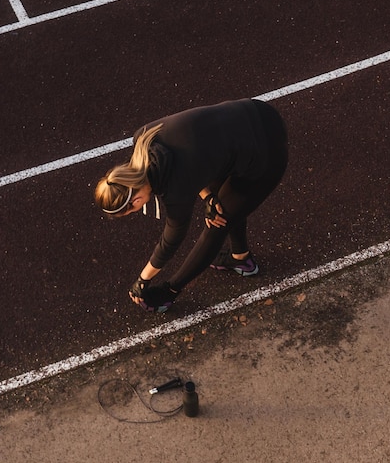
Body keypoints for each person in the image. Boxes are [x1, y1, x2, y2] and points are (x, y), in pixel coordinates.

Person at [94, 98, 288, 312]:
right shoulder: (143, 137)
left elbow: (170, 241)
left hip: (268, 150)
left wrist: (143, 279)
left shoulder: (176, 188)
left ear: (136, 201)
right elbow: (191, 162)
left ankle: (171, 292)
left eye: (132, 211)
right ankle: (240, 258)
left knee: (217, 223)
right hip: (253, 111)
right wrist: (207, 195)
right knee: (222, 203)